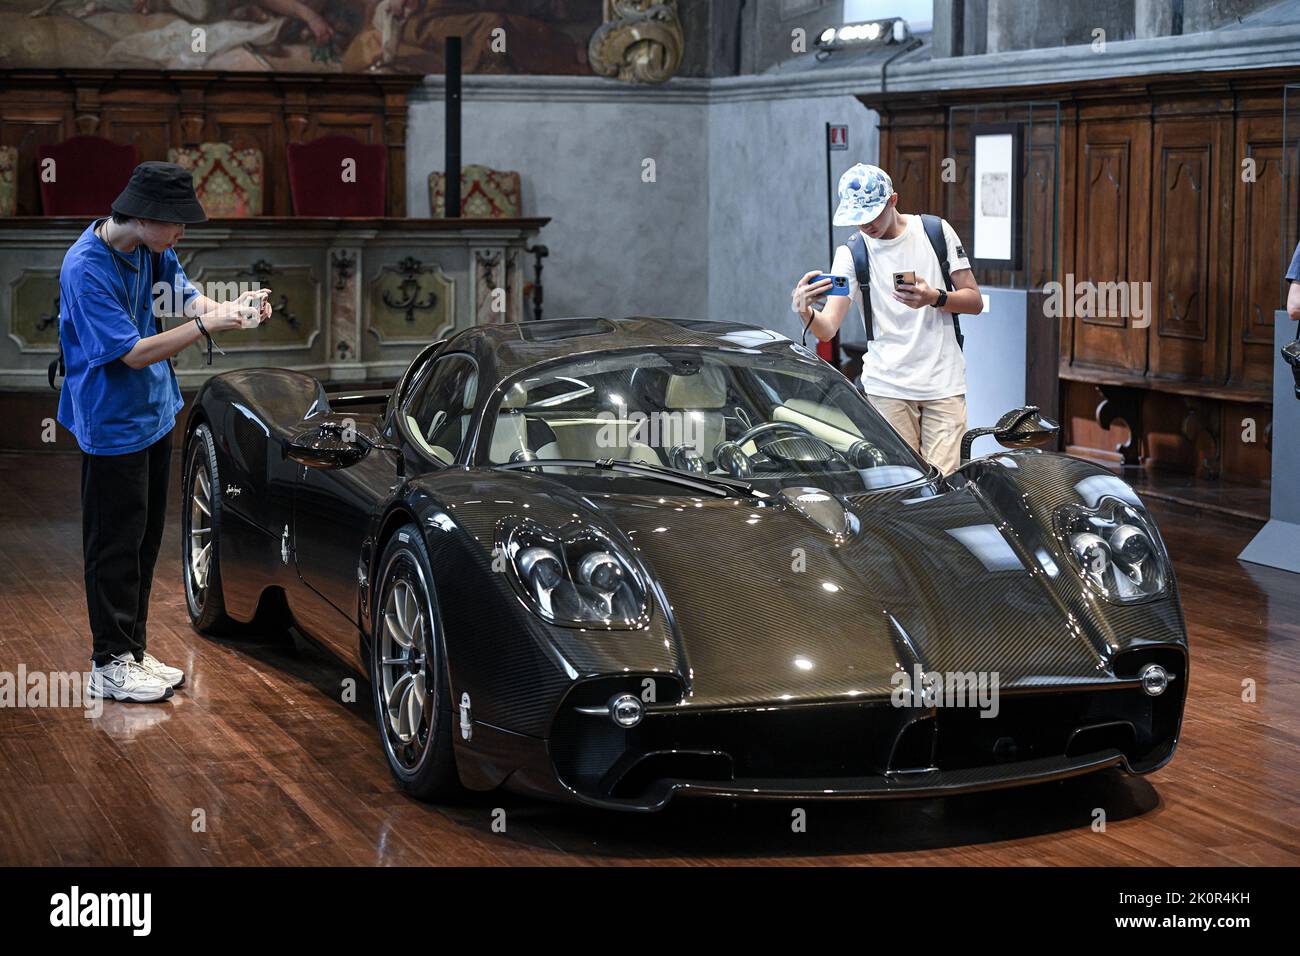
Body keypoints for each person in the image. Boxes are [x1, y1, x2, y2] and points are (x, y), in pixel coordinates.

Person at [57, 161, 272, 703]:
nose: (182, 233)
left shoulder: (153, 250)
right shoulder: (85, 266)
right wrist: (205, 326)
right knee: (113, 545)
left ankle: (132, 650)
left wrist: (230, 310)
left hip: (153, 414)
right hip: (110, 425)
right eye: (177, 223)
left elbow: (182, 297)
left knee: (146, 539)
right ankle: (108, 661)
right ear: (145, 217)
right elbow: (131, 353)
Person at [792, 163, 982, 474]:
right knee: (899, 485)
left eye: (872, 215)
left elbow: (974, 301)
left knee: (943, 485)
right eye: (858, 219)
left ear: (893, 200)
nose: (866, 225)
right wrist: (804, 309)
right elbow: (827, 329)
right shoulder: (852, 253)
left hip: (943, 384)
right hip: (887, 387)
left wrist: (934, 297)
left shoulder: (935, 232)